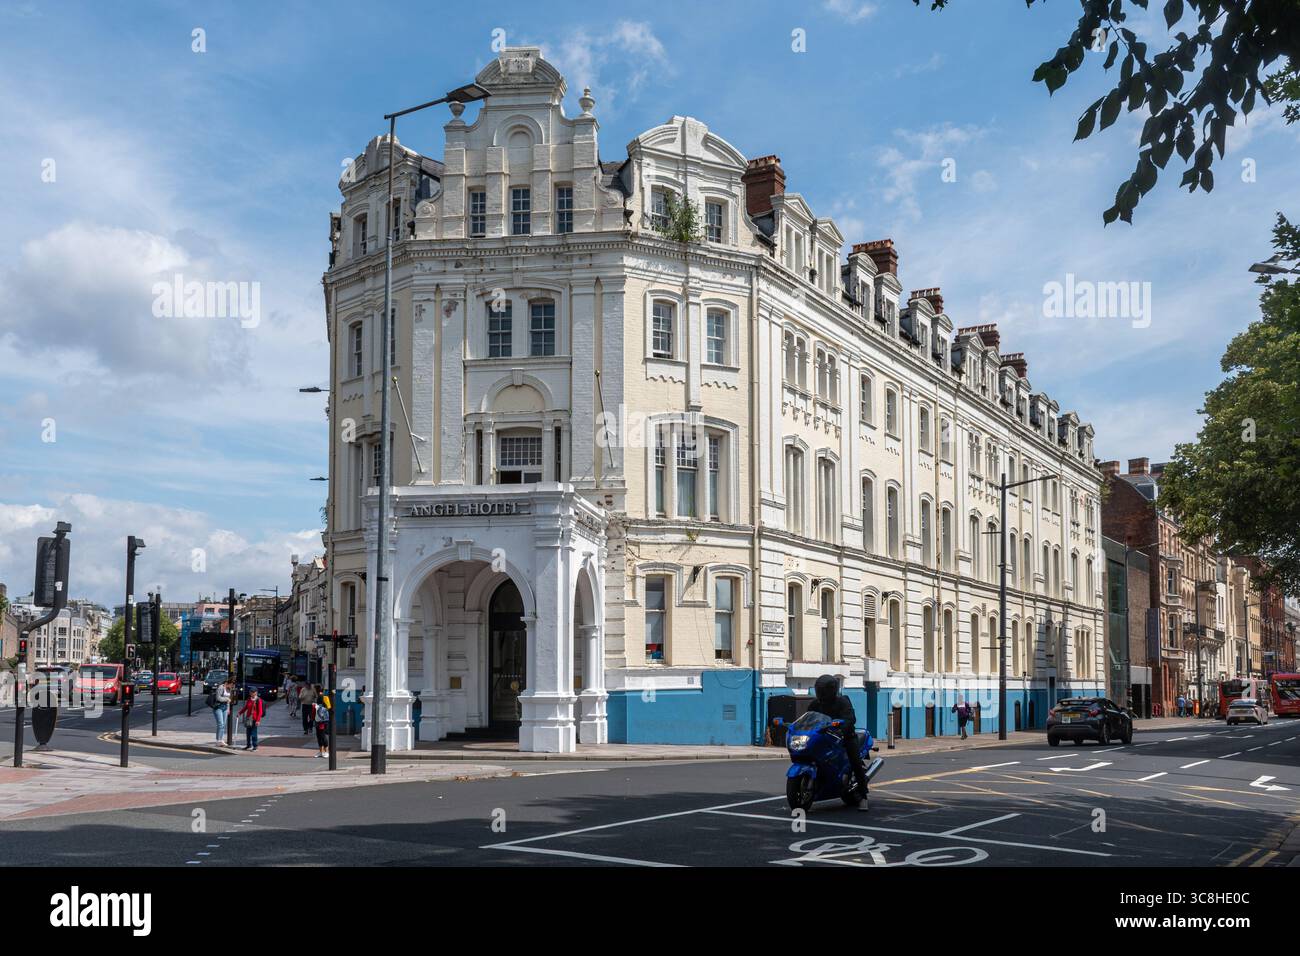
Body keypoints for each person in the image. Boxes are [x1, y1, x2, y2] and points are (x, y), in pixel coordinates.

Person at [806, 674, 868, 801]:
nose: (820, 693)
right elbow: (808, 718)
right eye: (819, 689)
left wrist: (841, 727)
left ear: (831, 690)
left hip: (845, 738)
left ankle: (863, 795)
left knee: (855, 761)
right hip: (824, 738)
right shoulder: (815, 704)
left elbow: (850, 719)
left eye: (823, 690)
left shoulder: (842, 702)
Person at [211, 678, 232, 744]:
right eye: (231, 685)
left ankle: (220, 739)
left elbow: (229, 700)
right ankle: (219, 740)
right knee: (220, 724)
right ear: (228, 683)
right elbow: (218, 698)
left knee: (223, 725)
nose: (232, 687)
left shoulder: (229, 689)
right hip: (218, 707)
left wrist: (228, 709)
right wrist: (226, 699)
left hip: (225, 707)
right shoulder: (221, 687)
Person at [314, 687, 331, 758]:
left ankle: (326, 751)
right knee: (319, 736)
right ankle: (322, 751)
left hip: (322, 720)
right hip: (319, 719)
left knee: (322, 736)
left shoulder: (324, 697)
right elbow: (329, 707)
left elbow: (329, 707)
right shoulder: (318, 696)